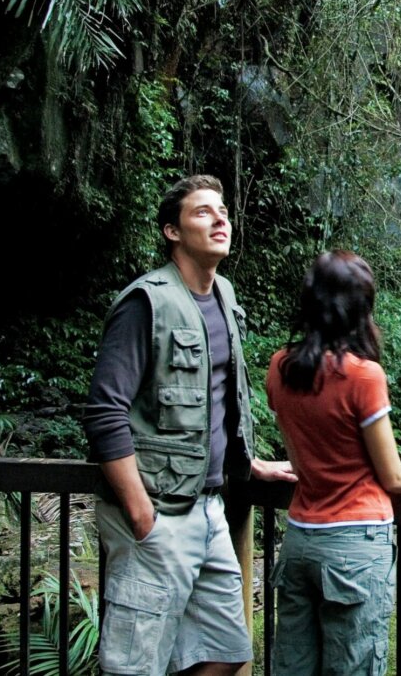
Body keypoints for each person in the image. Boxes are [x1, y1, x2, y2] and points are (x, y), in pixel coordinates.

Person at [82, 174, 297, 675]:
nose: (219, 218)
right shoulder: (146, 302)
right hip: (156, 515)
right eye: (202, 211)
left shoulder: (223, 293)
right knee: (135, 666)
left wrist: (249, 462)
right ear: (171, 232)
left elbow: (217, 401)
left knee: (227, 653)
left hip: (210, 510)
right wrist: (140, 516)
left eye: (222, 210)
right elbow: (105, 411)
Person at [266, 250, 401, 675]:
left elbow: (300, 463)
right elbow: (393, 475)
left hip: (300, 539)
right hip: (354, 548)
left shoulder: (280, 367)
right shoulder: (363, 376)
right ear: (359, 308)